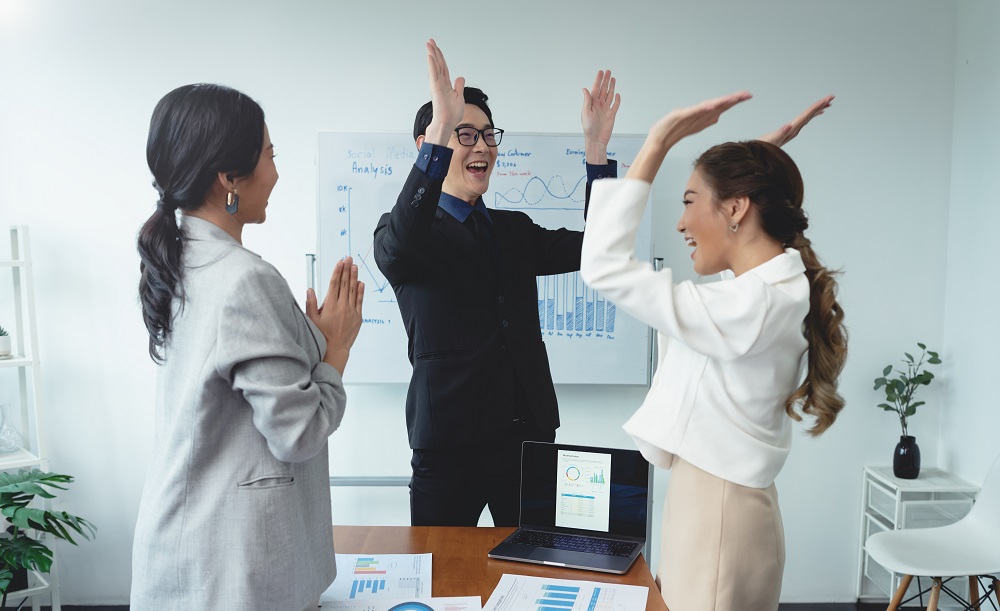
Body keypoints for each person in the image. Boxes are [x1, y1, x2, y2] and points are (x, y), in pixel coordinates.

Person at [580, 92, 846, 610]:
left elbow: (603, 267)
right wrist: (760, 159)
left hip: (718, 516)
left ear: (736, 207)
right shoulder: (770, 289)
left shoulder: (751, 305)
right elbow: (744, 243)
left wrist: (659, 140)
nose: (680, 223)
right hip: (721, 506)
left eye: (687, 201)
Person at [131, 84, 364, 611]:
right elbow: (298, 433)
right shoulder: (244, 280)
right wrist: (337, 351)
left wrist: (311, 339)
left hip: (187, 549)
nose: (276, 172)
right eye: (268, 155)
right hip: (227, 567)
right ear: (229, 178)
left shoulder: (181, 261)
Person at [373, 39, 620, 527]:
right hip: (448, 447)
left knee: (536, 576)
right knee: (440, 583)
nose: (482, 146)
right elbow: (400, 247)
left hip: (528, 439)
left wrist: (596, 154)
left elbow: (602, 252)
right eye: (463, 135)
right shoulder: (403, 233)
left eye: (488, 135)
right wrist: (442, 129)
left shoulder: (514, 229)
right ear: (430, 147)